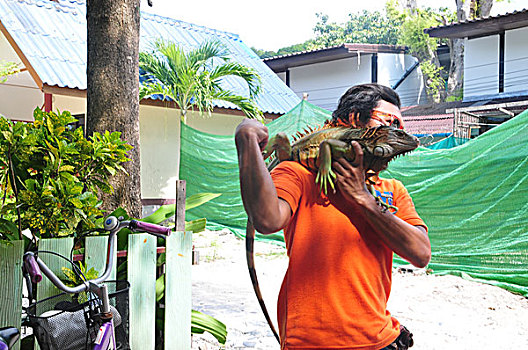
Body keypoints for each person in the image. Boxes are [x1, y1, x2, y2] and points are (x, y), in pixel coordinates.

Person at [235, 83, 431, 350]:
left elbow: (421, 254)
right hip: (310, 342)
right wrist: (248, 144)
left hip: (380, 340)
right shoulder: (300, 174)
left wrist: (364, 199)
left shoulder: (392, 190)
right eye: (390, 122)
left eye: (401, 126)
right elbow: (267, 220)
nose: (398, 132)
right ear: (354, 119)